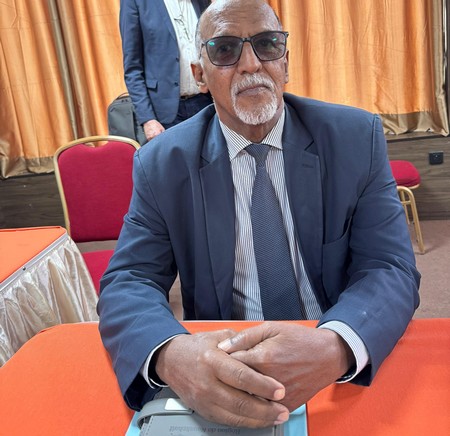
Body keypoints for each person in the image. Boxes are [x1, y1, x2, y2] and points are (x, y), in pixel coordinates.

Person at [98, 0, 420, 429]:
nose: (251, 64)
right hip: (226, 365)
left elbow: (389, 266)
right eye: (225, 50)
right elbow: (129, 280)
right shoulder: (163, 163)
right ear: (199, 76)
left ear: (285, 62)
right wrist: (171, 354)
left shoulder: (354, 139)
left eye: (267, 44)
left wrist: (337, 345)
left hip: (330, 356)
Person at [120, 0, 212, 141]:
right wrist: (148, 119)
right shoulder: (135, 2)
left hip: (206, 102)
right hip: (166, 115)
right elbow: (133, 69)